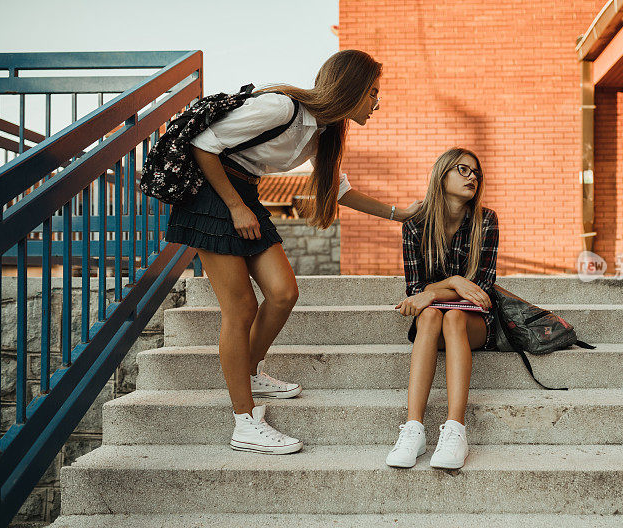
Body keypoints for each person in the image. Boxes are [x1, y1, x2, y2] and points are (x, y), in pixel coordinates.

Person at [165, 50, 421, 455]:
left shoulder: (325, 131)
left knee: (284, 292)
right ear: (351, 88)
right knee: (241, 308)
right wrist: (234, 206)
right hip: (213, 197)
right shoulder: (280, 107)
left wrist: (400, 213)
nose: (377, 102)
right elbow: (202, 144)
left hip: (244, 193)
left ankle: (248, 370)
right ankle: (244, 422)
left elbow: (340, 191)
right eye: (373, 92)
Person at [389, 147, 499, 469]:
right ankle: (414, 428)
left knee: (452, 315)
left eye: (476, 173)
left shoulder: (486, 221)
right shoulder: (415, 225)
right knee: (433, 314)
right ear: (443, 174)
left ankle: (455, 429)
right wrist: (453, 282)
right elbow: (414, 294)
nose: (472, 177)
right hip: (430, 322)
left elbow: (481, 290)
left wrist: (434, 291)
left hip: (474, 321)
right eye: (463, 170)